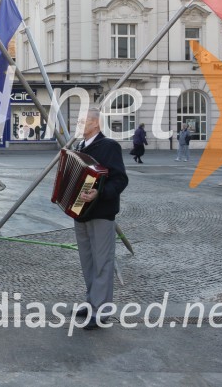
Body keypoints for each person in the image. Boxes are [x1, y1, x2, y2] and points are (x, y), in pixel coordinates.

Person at [73, 107, 129, 330]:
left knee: (102, 262)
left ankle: (101, 311)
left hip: (102, 212)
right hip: (80, 212)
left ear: (96, 123)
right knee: (88, 261)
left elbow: (120, 179)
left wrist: (100, 193)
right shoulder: (80, 147)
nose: (79, 124)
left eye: (83, 120)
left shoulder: (109, 146)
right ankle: (92, 302)